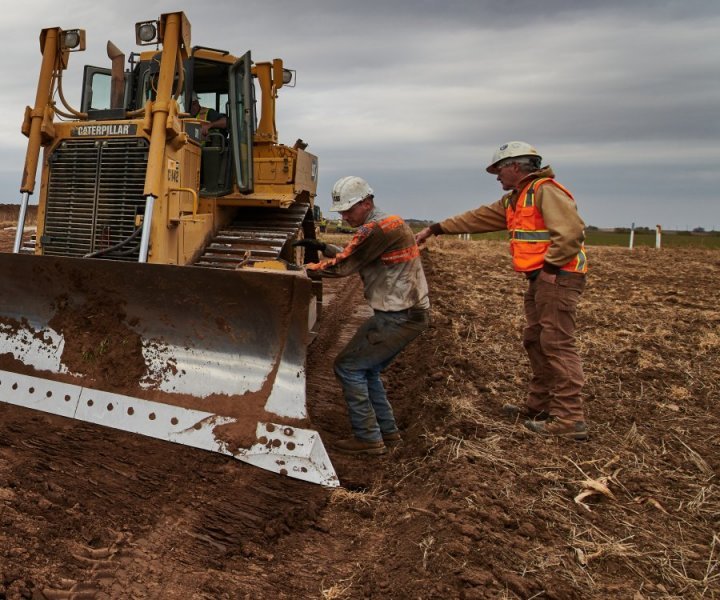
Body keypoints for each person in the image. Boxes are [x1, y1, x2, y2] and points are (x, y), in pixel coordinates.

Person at [416, 141, 589, 441]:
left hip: (557, 278)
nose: (497, 176)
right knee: (535, 339)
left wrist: (549, 271)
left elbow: (571, 233)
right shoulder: (516, 200)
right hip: (541, 279)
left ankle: (569, 418)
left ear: (515, 167)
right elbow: (476, 217)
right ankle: (540, 405)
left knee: (557, 344)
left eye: (499, 170)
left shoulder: (546, 191)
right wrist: (436, 228)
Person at [297, 176, 430, 455]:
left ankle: (368, 438)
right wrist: (323, 247)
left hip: (398, 316)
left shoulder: (376, 228)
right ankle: (387, 433)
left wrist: (302, 270)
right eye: (342, 212)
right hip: (408, 313)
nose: (344, 217)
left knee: (349, 367)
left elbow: (344, 266)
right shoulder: (389, 224)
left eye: (348, 210)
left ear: (367, 202)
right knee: (367, 369)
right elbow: (357, 255)